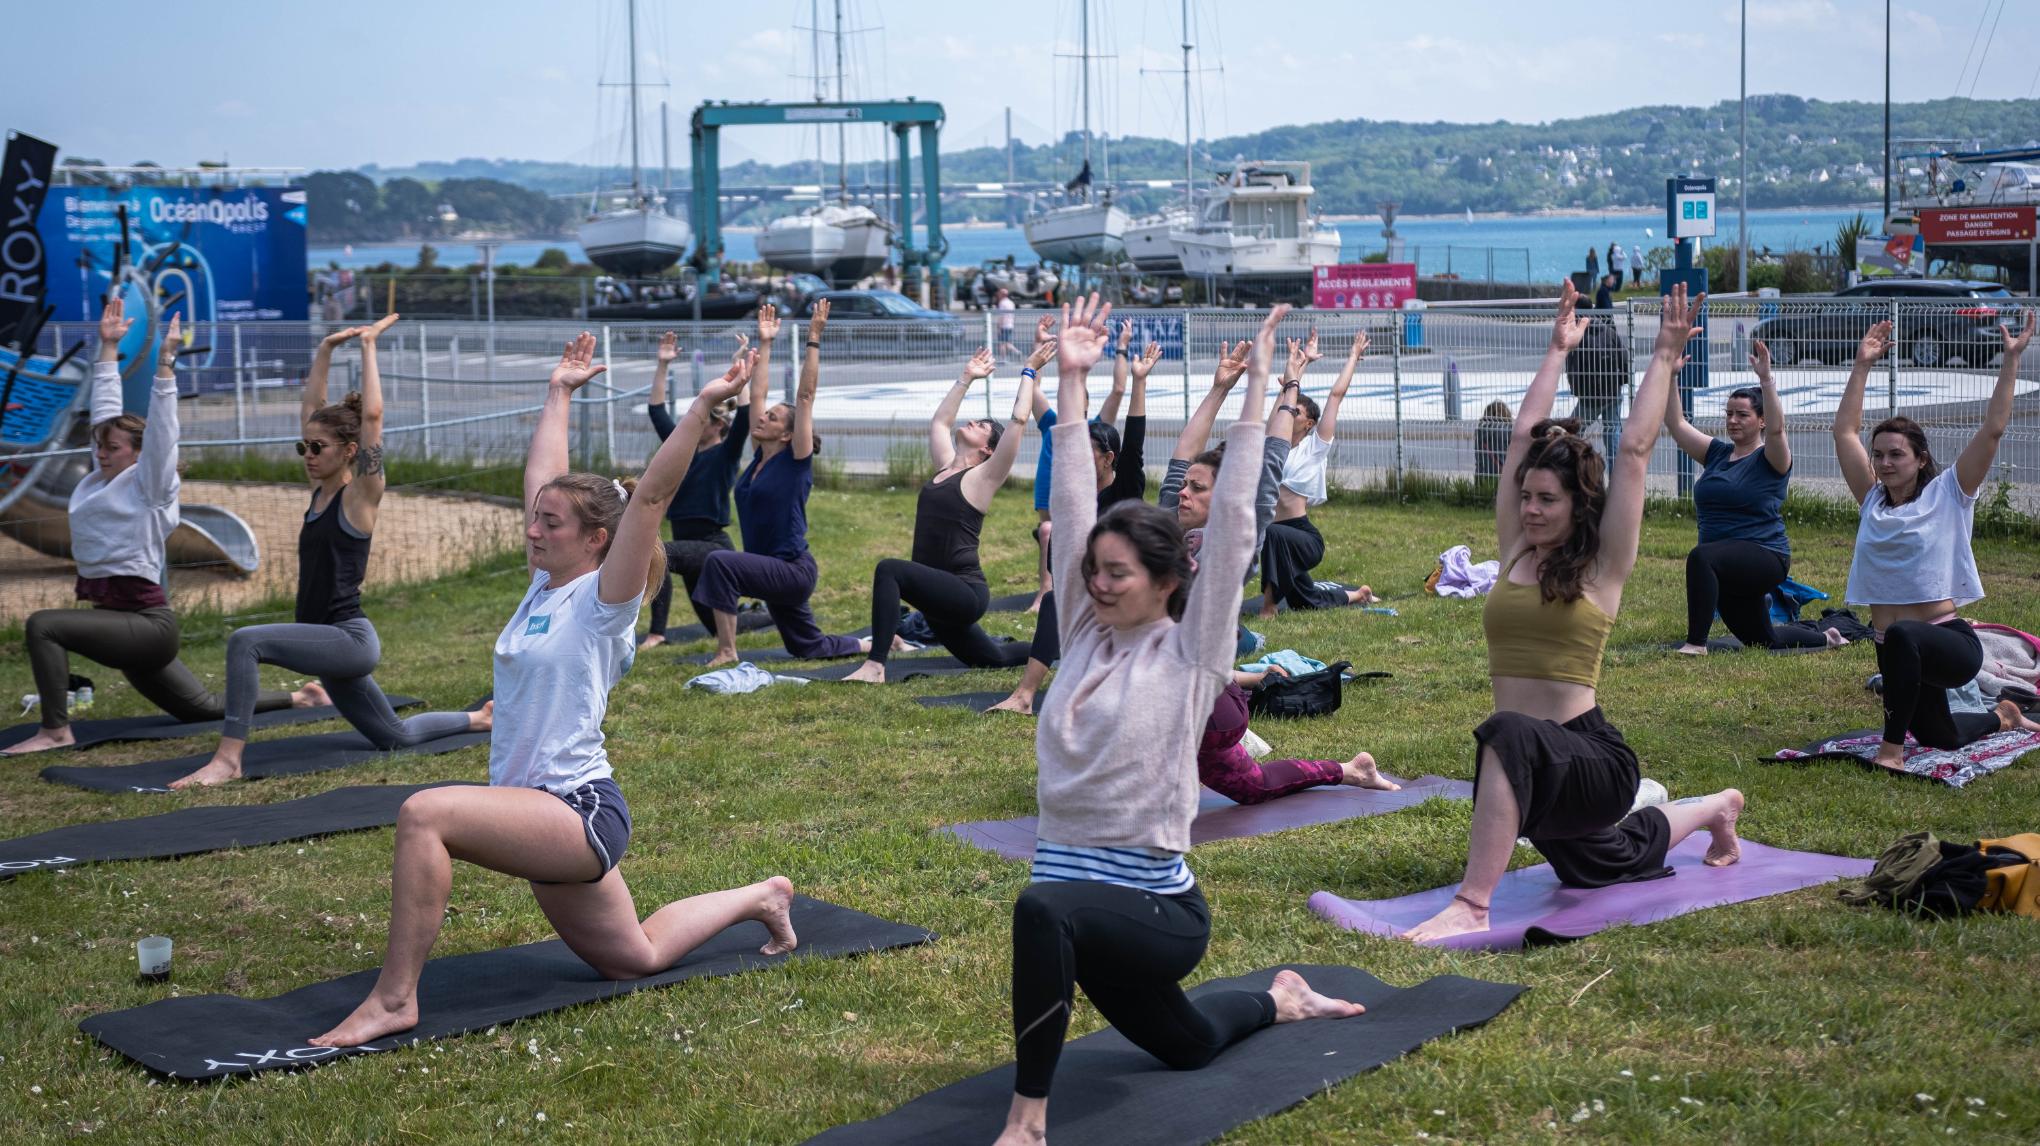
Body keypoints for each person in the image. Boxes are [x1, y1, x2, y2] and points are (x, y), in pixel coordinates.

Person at [306, 334, 797, 1049]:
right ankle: (764, 896)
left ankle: (393, 1000)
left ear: (599, 538)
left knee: (425, 814)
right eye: (535, 518)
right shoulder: (544, 585)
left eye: (550, 523)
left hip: (575, 811)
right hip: (539, 808)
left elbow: (653, 496)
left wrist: (699, 410)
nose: (532, 529)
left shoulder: (605, 602)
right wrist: (558, 391)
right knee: (635, 958)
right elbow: (547, 476)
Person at [993, 296, 1364, 1146]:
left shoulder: (1192, 653)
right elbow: (1079, 509)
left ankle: (1028, 1119)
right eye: (1096, 571)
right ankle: (1282, 997)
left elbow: (1237, 521)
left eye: (1120, 574)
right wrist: (1075, 382)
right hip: (1095, 917)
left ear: (1164, 583)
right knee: (1188, 1046)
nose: (1100, 582)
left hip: (1157, 914)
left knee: (1040, 909)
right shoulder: (1085, 633)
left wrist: (1263, 388)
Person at [1400, 282, 1748, 944]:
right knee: (1601, 865)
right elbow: (1518, 444)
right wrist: (1556, 350)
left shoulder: (1601, 569)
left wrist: (1667, 354)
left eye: (1547, 500)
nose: (1530, 509)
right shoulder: (1512, 553)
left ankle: (1472, 904)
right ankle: (1714, 809)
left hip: (1591, 757)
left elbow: (1636, 451)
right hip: (1537, 771)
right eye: (1526, 497)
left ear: (1576, 506)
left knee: (1505, 730)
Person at [170, 316, 484, 788]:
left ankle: (228, 760)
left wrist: (369, 348)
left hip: (347, 641)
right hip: (322, 641)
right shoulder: (316, 491)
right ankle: (480, 719)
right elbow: (310, 409)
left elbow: (374, 419)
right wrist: (324, 350)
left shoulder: (360, 498)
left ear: (350, 451)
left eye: (318, 447)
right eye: (304, 447)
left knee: (246, 641)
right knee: (393, 735)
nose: (308, 454)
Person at [8, 299, 327, 756]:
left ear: (138, 454)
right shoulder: (100, 478)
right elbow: (105, 411)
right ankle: (303, 696)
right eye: (100, 447)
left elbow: (163, 431)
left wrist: (165, 364)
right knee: (199, 708)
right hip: (120, 623)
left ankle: (56, 730)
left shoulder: (149, 486)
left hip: (146, 626)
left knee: (43, 626)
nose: (101, 453)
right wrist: (107, 346)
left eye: (113, 448)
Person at [1158, 366, 1396, 803]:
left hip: (1202, 710)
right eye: (1184, 486)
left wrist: (1289, 390)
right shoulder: (1166, 531)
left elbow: (1266, 467)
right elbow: (1181, 456)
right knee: (1255, 787)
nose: (1183, 493)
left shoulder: (1228, 551)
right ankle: (1350, 770)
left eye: (1197, 487)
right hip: (1207, 696)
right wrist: (1218, 388)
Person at [1832, 313, 2040, 769]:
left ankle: (1891, 752)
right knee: (1940, 736)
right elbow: (1844, 431)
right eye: (1880, 455)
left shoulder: (1949, 493)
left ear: (1920, 457)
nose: (1885, 463)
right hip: (1892, 645)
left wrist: (2010, 362)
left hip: (1949, 644)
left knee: (1906, 636)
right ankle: (2004, 716)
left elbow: (1992, 430)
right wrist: (1862, 365)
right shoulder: (1872, 501)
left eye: (1896, 455)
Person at [837, 345, 1043, 682]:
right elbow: (940, 420)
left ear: (988, 449)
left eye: (982, 426)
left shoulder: (983, 478)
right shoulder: (945, 468)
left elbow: (1019, 420)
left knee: (890, 570)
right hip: (938, 600)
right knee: (993, 657)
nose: (973, 421)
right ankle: (1056, 647)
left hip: (964, 594)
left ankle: (875, 666)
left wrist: (1029, 371)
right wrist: (966, 377)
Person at [988, 321, 1162, 715]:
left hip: (1127, 588)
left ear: (1107, 458)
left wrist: (1138, 383)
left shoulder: (1125, 486)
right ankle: (1025, 696)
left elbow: (1134, 438)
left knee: (1056, 602)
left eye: (1086, 451)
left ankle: (1029, 693)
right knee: (1054, 600)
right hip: (1087, 586)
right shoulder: (1074, 494)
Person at [695, 300, 872, 666]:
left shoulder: (796, 460)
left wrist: (814, 338)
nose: (762, 419)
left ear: (789, 434)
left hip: (791, 570)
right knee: (808, 647)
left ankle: (727, 650)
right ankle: (882, 642)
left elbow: (805, 398)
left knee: (719, 563)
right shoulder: (761, 456)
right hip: (769, 569)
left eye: (772, 418)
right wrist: (766, 343)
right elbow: (757, 396)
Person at [1664, 337, 1833, 654]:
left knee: (1701, 556)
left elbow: (1779, 432)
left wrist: (1766, 380)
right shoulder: (1716, 454)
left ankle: (1696, 644)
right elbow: (1675, 423)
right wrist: (1671, 375)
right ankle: (1829, 636)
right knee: (1762, 641)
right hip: (1725, 568)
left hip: (1765, 556)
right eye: (1729, 413)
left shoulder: (1771, 459)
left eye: (1742, 414)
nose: (1732, 420)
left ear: (1761, 420)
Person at [636, 330, 750, 651]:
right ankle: (764, 615)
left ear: (718, 425)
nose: (696, 423)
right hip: (688, 541)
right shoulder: (682, 453)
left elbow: (744, 418)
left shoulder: (725, 455)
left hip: (712, 544)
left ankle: (657, 633)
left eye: (704, 420)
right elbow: (657, 412)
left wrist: (739, 373)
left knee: (659, 555)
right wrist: (662, 365)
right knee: (717, 626)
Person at [1258, 327, 1375, 616]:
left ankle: (1268, 607)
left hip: (1302, 537)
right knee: (1305, 599)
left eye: (1296, 412)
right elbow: (1283, 401)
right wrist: (1301, 365)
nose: (1289, 414)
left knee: (1271, 533)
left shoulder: (1315, 447)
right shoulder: (1273, 445)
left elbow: (1336, 395)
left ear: (1309, 423)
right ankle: (1358, 594)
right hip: (1276, 536)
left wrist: (1353, 357)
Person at [1564, 308, 1627, 463]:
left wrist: (1577, 391)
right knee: (1613, 433)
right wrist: (1620, 381)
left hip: (1589, 397)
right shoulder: (1610, 332)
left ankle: (1571, 467)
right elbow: (1624, 360)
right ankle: (1616, 478)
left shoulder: (1578, 338)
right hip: (1612, 392)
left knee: (1571, 433)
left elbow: (1571, 368)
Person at [995, 287, 1018, 358]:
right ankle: (1017, 352)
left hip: (1004, 325)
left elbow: (1002, 315)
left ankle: (1003, 358)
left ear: (1002, 294)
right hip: (1010, 324)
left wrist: (999, 326)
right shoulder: (1011, 303)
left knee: (1002, 343)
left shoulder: (1002, 303)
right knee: (1007, 342)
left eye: (999, 293)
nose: (998, 295)